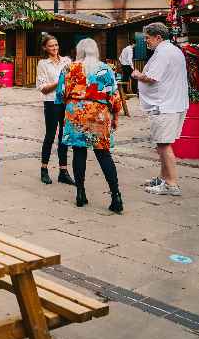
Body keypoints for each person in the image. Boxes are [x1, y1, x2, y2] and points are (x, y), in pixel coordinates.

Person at [56, 38, 123, 213]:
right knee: (103, 154)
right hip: (98, 114)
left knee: (78, 152)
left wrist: (71, 105)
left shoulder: (69, 68)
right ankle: (116, 195)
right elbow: (114, 96)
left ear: (79, 51)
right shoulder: (106, 68)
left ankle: (80, 193)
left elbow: (60, 94)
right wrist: (116, 116)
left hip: (76, 113)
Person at [132, 22, 188, 196]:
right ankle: (164, 178)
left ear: (158, 37)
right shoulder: (173, 50)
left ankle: (171, 184)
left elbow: (152, 77)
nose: (146, 41)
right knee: (163, 143)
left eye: (147, 38)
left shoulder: (163, 52)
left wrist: (137, 75)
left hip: (164, 105)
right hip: (174, 103)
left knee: (163, 145)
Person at [35, 34, 74, 185]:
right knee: (50, 135)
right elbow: (43, 88)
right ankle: (44, 169)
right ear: (45, 48)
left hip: (66, 103)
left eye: (56, 45)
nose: (54, 48)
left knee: (64, 137)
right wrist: (59, 82)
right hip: (51, 102)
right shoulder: (43, 64)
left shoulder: (67, 61)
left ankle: (63, 171)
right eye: (51, 46)